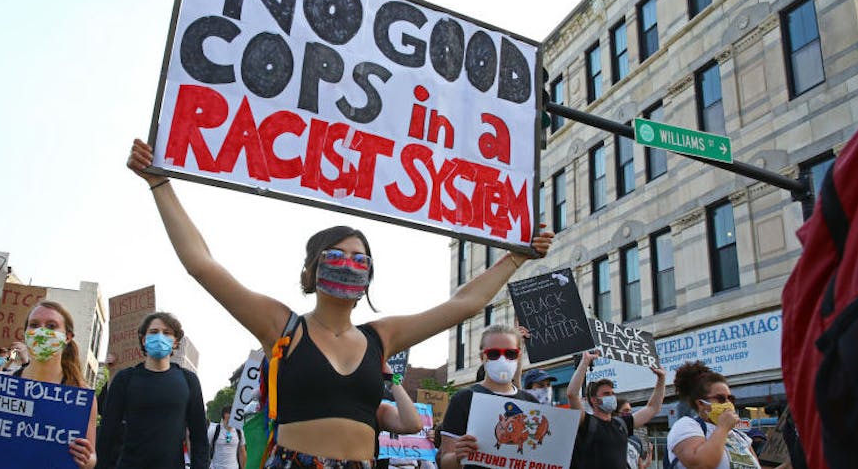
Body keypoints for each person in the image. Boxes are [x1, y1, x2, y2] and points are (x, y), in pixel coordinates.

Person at [126, 139, 554, 468]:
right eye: (337, 254)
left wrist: (516, 257)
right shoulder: (282, 326)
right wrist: (159, 183)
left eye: (359, 258)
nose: (349, 264)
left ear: (369, 275)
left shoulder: (382, 336)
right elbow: (202, 265)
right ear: (312, 268)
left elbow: (463, 304)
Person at [0, 300, 98, 468]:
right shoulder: (0, 384)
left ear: (67, 337)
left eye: (51, 326)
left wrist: (87, 460)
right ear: (25, 334)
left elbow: (91, 456)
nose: (41, 331)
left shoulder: (82, 396)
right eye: (34, 325)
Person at [96, 311, 209, 469]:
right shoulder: (125, 378)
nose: (160, 337)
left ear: (175, 342)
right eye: (154, 332)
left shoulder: (189, 381)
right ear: (144, 340)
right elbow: (107, 433)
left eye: (167, 333)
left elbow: (199, 436)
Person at [436, 324, 539, 469]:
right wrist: (458, 457)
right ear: (482, 357)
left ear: (518, 356)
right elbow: (445, 461)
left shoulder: (531, 402)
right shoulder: (464, 399)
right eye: (494, 354)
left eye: (510, 354)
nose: (502, 359)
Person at [566, 350, 666, 469]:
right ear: (594, 400)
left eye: (612, 393)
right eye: (606, 394)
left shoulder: (621, 424)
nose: (612, 397)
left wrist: (661, 378)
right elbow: (572, 394)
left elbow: (653, 408)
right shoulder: (587, 423)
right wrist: (585, 362)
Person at [666, 361, 760, 469]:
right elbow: (701, 464)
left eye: (730, 398)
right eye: (720, 398)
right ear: (701, 403)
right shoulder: (687, 425)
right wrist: (723, 427)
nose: (727, 403)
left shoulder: (740, 437)